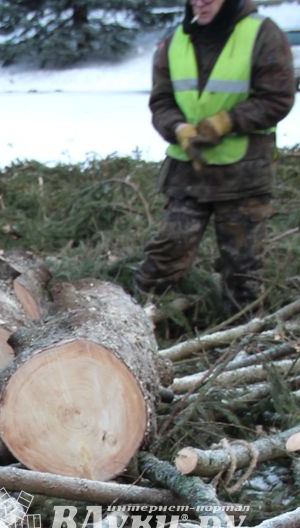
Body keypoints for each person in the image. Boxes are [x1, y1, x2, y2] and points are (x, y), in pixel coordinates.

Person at [135, 0, 295, 315]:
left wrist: (227, 122)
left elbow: (278, 97)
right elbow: (162, 101)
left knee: (242, 268)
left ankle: (241, 338)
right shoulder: (176, 40)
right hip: (188, 171)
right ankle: (135, 321)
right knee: (166, 253)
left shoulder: (262, 34)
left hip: (244, 174)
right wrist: (178, 127)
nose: (201, 1)